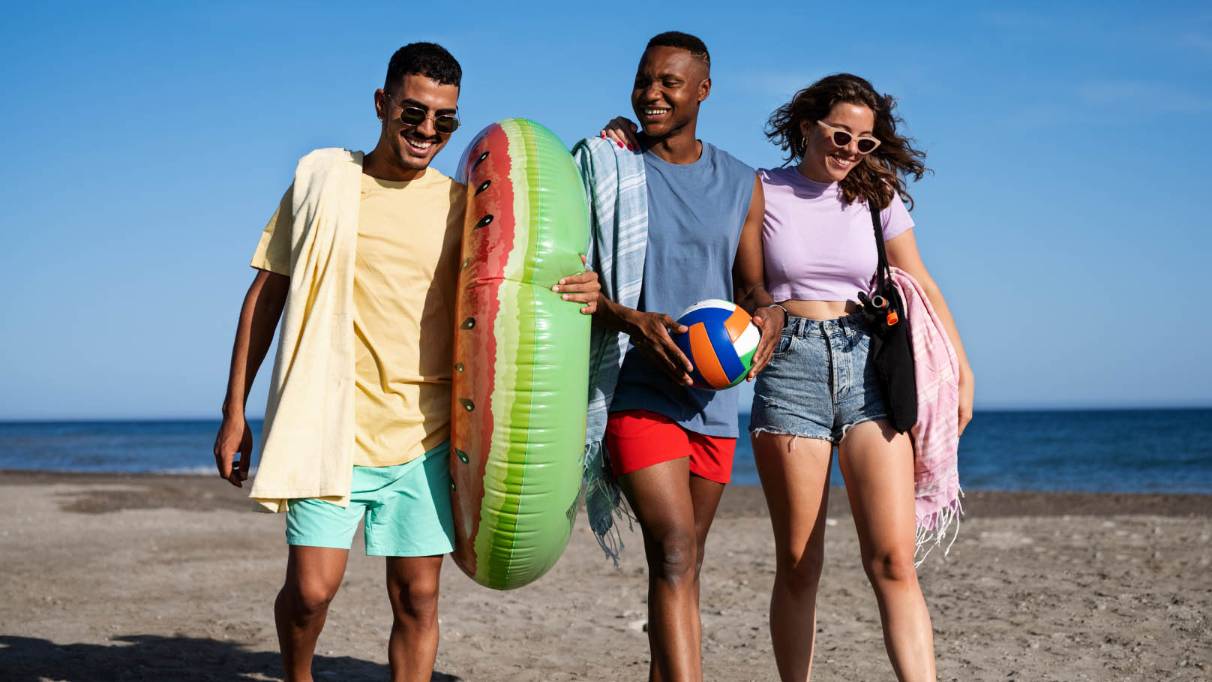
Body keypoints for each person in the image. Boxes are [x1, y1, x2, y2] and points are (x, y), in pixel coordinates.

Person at [212, 43, 599, 682]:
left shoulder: (462, 208)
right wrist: (234, 413)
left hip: (427, 437)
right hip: (331, 427)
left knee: (417, 599)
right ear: (382, 104)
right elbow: (265, 297)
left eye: (444, 121)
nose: (426, 132)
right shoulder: (323, 187)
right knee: (311, 592)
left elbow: (517, 288)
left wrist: (580, 289)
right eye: (412, 113)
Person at [741, 74, 973, 681]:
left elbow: (918, 279)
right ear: (807, 126)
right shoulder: (760, 191)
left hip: (869, 366)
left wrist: (961, 368)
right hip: (789, 366)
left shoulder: (876, 195)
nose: (849, 150)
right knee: (798, 562)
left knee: (893, 560)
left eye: (864, 142)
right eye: (840, 135)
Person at [579, 31, 772, 681]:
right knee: (675, 547)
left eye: (669, 82)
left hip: (715, 398)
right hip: (636, 386)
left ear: (703, 90)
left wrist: (768, 312)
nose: (651, 93)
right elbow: (576, 282)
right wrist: (630, 320)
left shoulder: (742, 182)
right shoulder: (611, 166)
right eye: (644, 80)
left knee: (684, 563)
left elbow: (750, 285)